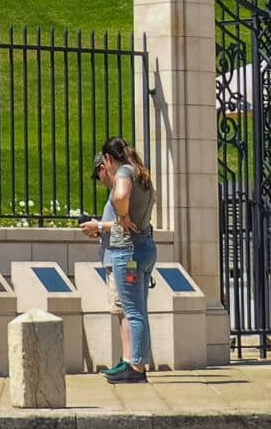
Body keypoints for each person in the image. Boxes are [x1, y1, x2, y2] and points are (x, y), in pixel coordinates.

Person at [77, 138, 156, 384]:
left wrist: (122, 215)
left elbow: (120, 196)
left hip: (127, 252)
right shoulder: (141, 173)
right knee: (138, 311)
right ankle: (136, 363)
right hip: (144, 248)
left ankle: (136, 367)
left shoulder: (123, 172)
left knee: (132, 312)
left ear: (108, 159)